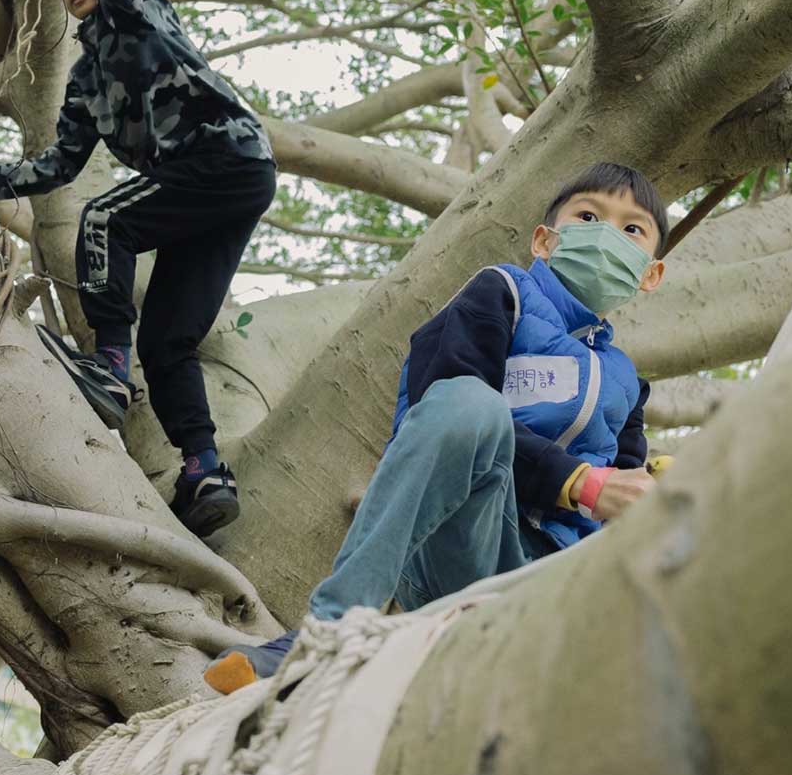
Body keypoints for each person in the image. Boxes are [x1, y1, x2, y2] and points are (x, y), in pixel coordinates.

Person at [205, 161, 667, 692]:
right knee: (470, 402)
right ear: (545, 240)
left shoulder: (629, 381)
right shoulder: (500, 293)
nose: (608, 235)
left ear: (650, 272)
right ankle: (326, 632)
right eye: (589, 216)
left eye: (632, 229)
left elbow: (626, 493)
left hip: (552, 587)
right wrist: (580, 481)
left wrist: (656, 490)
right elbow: (439, 406)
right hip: (468, 547)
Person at [0, 0, 276, 537]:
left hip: (226, 158)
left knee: (105, 218)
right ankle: (204, 469)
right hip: (206, 195)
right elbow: (57, 165)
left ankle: (110, 368)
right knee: (167, 342)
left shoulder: (141, 12)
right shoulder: (88, 77)